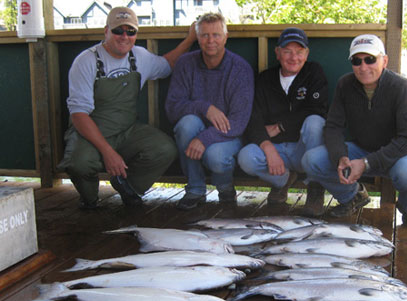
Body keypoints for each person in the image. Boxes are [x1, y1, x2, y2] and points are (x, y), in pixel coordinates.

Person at [58, 7, 197, 209]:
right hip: (89, 132)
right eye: (118, 31)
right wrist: (107, 152)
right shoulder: (86, 61)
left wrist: (191, 39)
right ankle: (89, 199)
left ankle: (128, 187)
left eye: (130, 32)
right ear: (106, 31)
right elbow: (79, 114)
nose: (124, 37)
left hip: (126, 130)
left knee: (165, 148)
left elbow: (168, 64)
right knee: (79, 164)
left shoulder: (139, 56)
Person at [302, 34, 407, 227]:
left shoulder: (403, 87)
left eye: (370, 59)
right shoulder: (345, 84)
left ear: (384, 61)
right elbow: (333, 126)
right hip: (362, 149)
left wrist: (366, 163)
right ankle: (353, 196)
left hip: (398, 155)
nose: (363, 67)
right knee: (311, 160)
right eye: (356, 61)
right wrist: (340, 157)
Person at [165, 12, 254, 210]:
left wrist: (204, 139)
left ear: (225, 37)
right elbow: (172, 108)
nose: (210, 40)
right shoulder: (185, 64)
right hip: (194, 130)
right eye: (205, 35)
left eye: (216, 35)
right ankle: (195, 189)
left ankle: (225, 189)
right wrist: (205, 108)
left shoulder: (240, 68)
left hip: (229, 134)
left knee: (215, 156)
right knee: (186, 124)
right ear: (197, 37)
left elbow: (239, 122)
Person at [238, 28, 328, 214]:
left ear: (306, 54)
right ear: (277, 53)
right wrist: (268, 147)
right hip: (277, 151)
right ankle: (283, 180)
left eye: (299, 51)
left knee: (315, 123)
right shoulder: (265, 78)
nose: (294, 57)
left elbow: (317, 109)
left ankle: (315, 188)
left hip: (304, 150)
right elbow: (253, 118)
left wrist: (280, 126)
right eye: (287, 51)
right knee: (246, 157)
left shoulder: (314, 72)